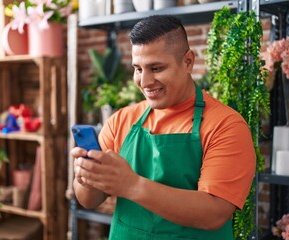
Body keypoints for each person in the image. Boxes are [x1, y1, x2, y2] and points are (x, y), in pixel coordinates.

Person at [72, 15, 256, 240]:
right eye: (138, 69)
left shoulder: (226, 126)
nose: (145, 81)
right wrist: (86, 176)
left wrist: (132, 185)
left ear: (188, 61)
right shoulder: (122, 120)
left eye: (156, 68)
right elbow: (89, 200)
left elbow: (215, 213)